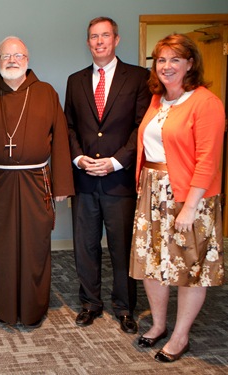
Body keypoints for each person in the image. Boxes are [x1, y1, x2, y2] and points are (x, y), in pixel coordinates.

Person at [129, 33, 225, 362]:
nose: (167, 66)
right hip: (152, 193)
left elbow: (208, 161)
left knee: (189, 268)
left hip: (188, 196)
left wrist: (190, 207)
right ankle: (157, 325)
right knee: (152, 263)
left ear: (190, 63)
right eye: (161, 60)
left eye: (174, 59)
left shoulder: (206, 102)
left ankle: (180, 335)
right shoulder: (157, 100)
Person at [0, 36, 74, 327]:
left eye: (18, 55)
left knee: (35, 245)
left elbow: (61, 141)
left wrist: (62, 186)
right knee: (0, 247)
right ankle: (3, 308)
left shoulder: (46, 93)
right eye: (6, 56)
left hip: (36, 181)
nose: (12, 60)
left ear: (27, 59)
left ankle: (31, 309)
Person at [64, 17, 151, 334]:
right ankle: (90, 304)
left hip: (120, 180)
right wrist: (78, 158)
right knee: (84, 247)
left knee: (122, 247)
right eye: (93, 37)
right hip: (84, 180)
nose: (99, 41)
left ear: (116, 39)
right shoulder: (75, 81)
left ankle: (125, 308)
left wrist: (116, 162)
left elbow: (141, 127)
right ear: (88, 43)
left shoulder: (140, 78)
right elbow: (69, 126)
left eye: (104, 35)